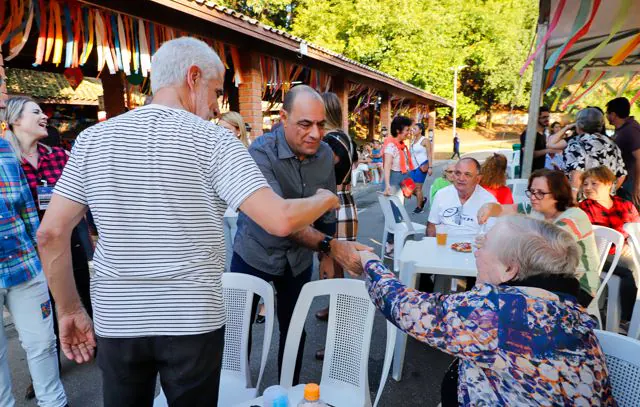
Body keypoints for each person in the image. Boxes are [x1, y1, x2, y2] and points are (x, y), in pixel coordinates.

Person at [37, 37, 341, 407]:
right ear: (193, 77)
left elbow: (51, 233)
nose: (216, 106)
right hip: (192, 320)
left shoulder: (92, 140)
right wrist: (323, 198)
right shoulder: (213, 140)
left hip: (118, 319)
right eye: (215, 91)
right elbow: (279, 219)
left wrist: (69, 310)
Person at [358, 216, 615, 406]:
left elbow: (406, 309)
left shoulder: (502, 312)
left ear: (509, 270)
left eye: (484, 244)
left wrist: (368, 262)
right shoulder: (566, 305)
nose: (477, 252)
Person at [231, 85, 370, 385]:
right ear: (283, 118)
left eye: (321, 124)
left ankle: (289, 389)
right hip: (254, 252)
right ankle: (237, 387)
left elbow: (326, 214)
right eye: (305, 124)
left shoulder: (324, 156)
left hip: (296, 261)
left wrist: (326, 256)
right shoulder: (259, 152)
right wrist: (329, 246)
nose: (316, 134)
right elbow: (280, 220)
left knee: (294, 328)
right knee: (240, 330)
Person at [1, 96, 93, 400]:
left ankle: (90, 345)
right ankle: (43, 374)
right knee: (43, 319)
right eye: (36, 112)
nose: (44, 117)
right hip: (26, 246)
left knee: (78, 295)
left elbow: (81, 195)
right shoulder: (8, 158)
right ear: (15, 120)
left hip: (64, 240)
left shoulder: (58, 157)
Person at [0, 136, 68, 407]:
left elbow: (26, 205)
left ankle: (54, 402)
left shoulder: (5, 149)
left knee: (43, 343)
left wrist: (41, 255)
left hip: (25, 265)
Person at [478, 169, 600, 307]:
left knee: (506, 281)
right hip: (547, 272)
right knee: (503, 277)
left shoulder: (575, 217)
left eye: (540, 193)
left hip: (578, 285)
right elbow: (501, 209)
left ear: (557, 194)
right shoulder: (535, 209)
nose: (533, 197)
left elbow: (544, 248)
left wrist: (497, 243)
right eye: (531, 191)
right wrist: (488, 207)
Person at [314, 91, 360, 360]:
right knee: (335, 266)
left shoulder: (331, 141)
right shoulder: (343, 136)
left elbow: (319, 170)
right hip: (344, 201)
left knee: (332, 267)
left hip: (334, 205)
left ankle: (338, 343)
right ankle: (335, 311)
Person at [579, 166, 640, 326]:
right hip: (598, 256)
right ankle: (628, 318)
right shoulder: (584, 208)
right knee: (632, 268)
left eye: (594, 183)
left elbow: (637, 229)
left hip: (625, 253)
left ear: (608, 184)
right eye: (585, 184)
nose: (588, 188)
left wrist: (629, 243)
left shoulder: (625, 206)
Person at [547, 107, 626, 198]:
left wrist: (573, 199)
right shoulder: (612, 145)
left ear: (579, 125)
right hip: (605, 201)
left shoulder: (577, 143)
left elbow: (576, 173)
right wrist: (609, 193)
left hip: (584, 201)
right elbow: (622, 175)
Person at [427, 157, 497, 237]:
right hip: (444, 244)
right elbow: (432, 225)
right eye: (458, 173)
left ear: (478, 179)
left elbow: (492, 235)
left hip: (474, 247)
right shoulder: (441, 194)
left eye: (467, 174)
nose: (461, 178)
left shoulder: (488, 201)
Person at [382, 116, 415, 256]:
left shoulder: (401, 145)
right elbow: (387, 166)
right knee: (394, 215)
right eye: (407, 130)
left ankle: (394, 243)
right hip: (394, 180)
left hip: (401, 178)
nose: (409, 132)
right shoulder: (391, 146)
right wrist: (388, 185)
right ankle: (391, 245)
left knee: (399, 213)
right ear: (398, 130)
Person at [607, 97, 640, 207]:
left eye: (607, 113)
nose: (606, 117)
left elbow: (639, 157)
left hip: (632, 183)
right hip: (625, 182)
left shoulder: (631, 130)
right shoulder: (621, 129)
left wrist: (636, 186)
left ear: (613, 114)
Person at [409, 122, 432, 213]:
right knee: (409, 188)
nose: (412, 130)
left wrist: (430, 167)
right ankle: (422, 199)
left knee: (418, 188)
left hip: (421, 166)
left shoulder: (425, 140)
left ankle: (419, 207)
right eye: (412, 129)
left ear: (421, 130)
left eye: (415, 129)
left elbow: (429, 154)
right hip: (412, 167)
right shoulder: (412, 141)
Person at [520, 105, 551, 173]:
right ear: (537, 118)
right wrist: (548, 150)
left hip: (540, 172)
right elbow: (528, 154)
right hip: (529, 173)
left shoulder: (543, 134)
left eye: (548, 117)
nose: (547, 119)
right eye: (544, 117)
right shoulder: (529, 134)